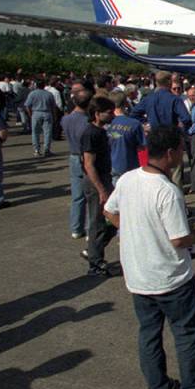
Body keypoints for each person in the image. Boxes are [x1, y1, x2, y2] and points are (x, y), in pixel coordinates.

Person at [103, 126, 195, 389]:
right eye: (181, 149)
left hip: (138, 275)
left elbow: (109, 210)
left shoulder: (127, 179)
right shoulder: (167, 191)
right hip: (170, 278)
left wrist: (133, 230)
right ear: (171, 153)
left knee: (149, 333)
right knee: (186, 333)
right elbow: (178, 239)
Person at [81, 96, 118, 277]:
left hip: (104, 179)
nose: (112, 115)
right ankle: (95, 264)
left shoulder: (101, 131)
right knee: (98, 222)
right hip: (97, 182)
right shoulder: (91, 133)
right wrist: (101, 189)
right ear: (97, 114)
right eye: (108, 112)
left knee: (114, 219)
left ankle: (94, 251)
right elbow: (89, 164)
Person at [61, 89, 92, 238]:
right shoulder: (87, 121)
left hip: (73, 155)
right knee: (91, 195)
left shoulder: (66, 119)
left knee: (77, 195)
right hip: (85, 156)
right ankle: (89, 228)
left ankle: (76, 227)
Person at [106, 91, 146, 182]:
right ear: (125, 103)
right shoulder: (134, 124)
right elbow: (142, 148)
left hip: (112, 165)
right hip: (131, 167)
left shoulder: (106, 124)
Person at [24, 81, 56, 157]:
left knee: (35, 132)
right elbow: (53, 107)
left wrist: (30, 114)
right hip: (47, 113)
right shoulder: (49, 94)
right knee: (47, 132)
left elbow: (27, 105)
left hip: (36, 113)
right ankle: (47, 149)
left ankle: (36, 150)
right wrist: (54, 116)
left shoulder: (32, 94)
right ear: (44, 85)